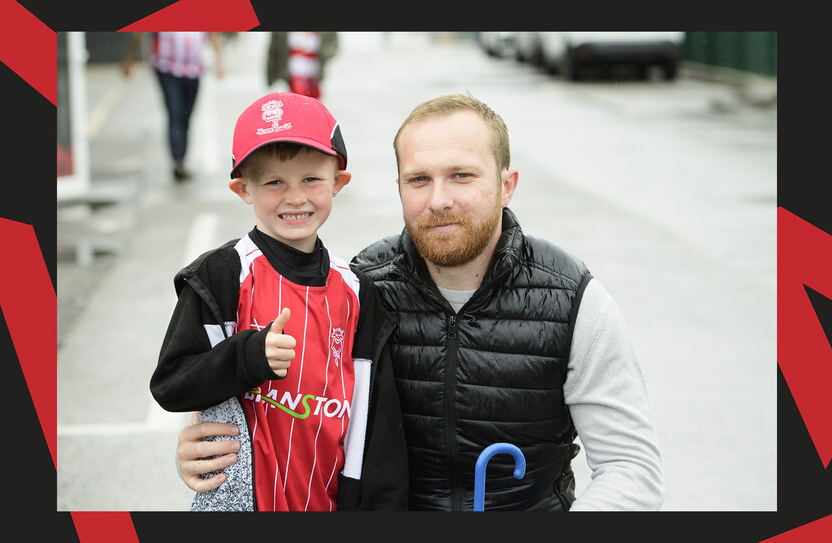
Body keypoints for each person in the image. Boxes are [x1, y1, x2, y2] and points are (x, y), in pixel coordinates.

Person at [176, 92, 664, 511]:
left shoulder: (572, 298)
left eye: (462, 176)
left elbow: (630, 466)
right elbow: (293, 416)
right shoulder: (360, 290)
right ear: (399, 189)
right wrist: (211, 446)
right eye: (419, 179)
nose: (439, 200)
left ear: (506, 186)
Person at [151, 92, 408, 511]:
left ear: (338, 182)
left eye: (311, 179)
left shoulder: (359, 294)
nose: (295, 197)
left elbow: (378, 431)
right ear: (243, 189)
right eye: (274, 182)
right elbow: (171, 385)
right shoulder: (222, 276)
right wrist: (248, 356)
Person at [123, 32, 225, 181]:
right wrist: (130, 59)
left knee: (186, 116)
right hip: (168, 71)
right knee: (175, 113)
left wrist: (219, 60)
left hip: (193, 72)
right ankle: (178, 161)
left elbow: (213, 35)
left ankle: (181, 157)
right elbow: (140, 33)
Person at [266, 32, 339, 99]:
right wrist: (271, 77)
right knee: (293, 101)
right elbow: (273, 51)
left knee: (313, 102)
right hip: (290, 76)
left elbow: (333, 45)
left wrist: (322, 54)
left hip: (314, 76)